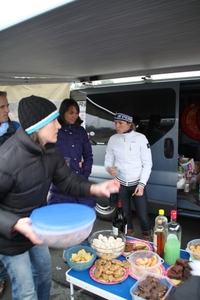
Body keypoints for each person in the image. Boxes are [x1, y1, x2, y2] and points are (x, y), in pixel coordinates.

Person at [0, 95, 120, 300]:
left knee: (45, 275)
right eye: (53, 121)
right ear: (37, 127)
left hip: (37, 226)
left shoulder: (50, 150)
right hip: (9, 237)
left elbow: (68, 182)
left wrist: (96, 188)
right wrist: (16, 224)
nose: (59, 125)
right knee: (26, 291)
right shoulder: (6, 160)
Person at [104, 105, 153, 241]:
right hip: (121, 185)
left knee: (143, 216)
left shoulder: (141, 138)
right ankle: (128, 240)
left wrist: (142, 184)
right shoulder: (113, 139)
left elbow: (147, 163)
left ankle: (147, 241)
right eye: (115, 123)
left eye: (120, 123)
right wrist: (109, 168)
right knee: (125, 216)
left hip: (137, 184)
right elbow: (108, 160)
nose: (117, 126)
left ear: (129, 123)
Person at [48, 98, 95, 208]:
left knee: (84, 218)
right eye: (71, 113)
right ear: (63, 112)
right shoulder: (55, 131)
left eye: (76, 113)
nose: (74, 116)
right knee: (62, 220)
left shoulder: (81, 131)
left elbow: (88, 155)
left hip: (79, 182)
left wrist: (85, 172)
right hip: (60, 185)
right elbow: (47, 156)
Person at [0, 91, 20, 298]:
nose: (7, 110)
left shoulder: (15, 129)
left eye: (7, 106)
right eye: (2, 107)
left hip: (13, 198)